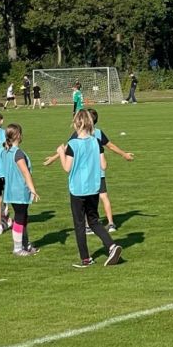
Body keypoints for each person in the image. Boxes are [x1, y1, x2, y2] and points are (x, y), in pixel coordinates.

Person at [46, 109, 134, 232]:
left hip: (85, 175)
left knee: (85, 199)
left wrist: (54, 158)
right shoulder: (98, 133)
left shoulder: (77, 134)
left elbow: (67, 148)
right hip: (98, 173)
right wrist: (124, 154)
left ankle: (88, 226)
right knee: (104, 197)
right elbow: (111, 146)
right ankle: (111, 223)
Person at [55, 110, 123, 268]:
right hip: (94, 187)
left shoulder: (72, 145)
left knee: (79, 224)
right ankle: (112, 246)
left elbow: (67, 167)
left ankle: (86, 259)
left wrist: (60, 154)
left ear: (76, 124)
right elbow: (103, 164)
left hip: (78, 190)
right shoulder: (96, 142)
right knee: (94, 221)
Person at [2, 123, 40, 256]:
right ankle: (17, 248)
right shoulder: (17, 153)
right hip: (19, 191)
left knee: (24, 216)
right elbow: (25, 173)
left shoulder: (6, 152)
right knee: (19, 218)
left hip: (11, 190)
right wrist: (33, 190)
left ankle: (25, 244)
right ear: (18, 135)